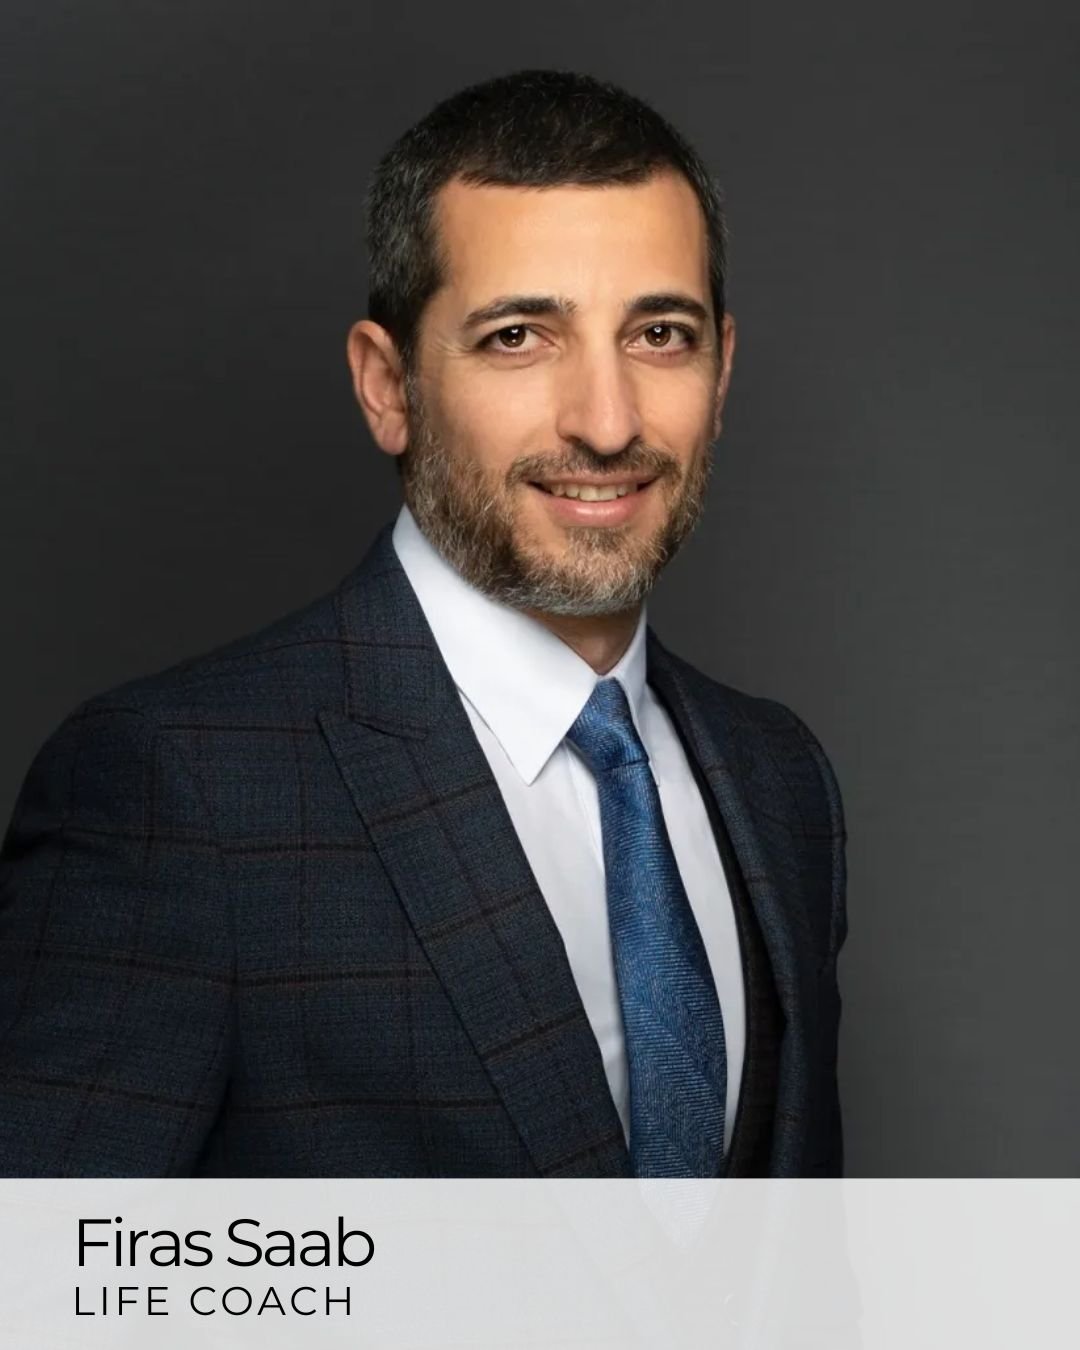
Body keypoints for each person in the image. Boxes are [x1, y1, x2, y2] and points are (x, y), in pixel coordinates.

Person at [0, 69, 847, 1178]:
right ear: (387, 386)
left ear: (722, 371)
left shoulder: (779, 777)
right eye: (517, 338)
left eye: (660, 334)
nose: (607, 422)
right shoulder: (181, 790)